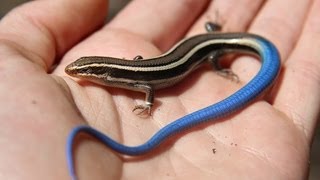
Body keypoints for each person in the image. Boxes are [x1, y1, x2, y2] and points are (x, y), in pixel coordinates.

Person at [0, 0, 319, 179]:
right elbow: (140, 69)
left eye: (87, 70)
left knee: (209, 55)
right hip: (197, 45)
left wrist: (150, 105)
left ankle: (217, 59)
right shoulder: (120, 74)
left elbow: (146, 85)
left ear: (102, 72)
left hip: (206, 50)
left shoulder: (130, 80)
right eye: (82, 69)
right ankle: (214, 38)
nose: (79, 74)